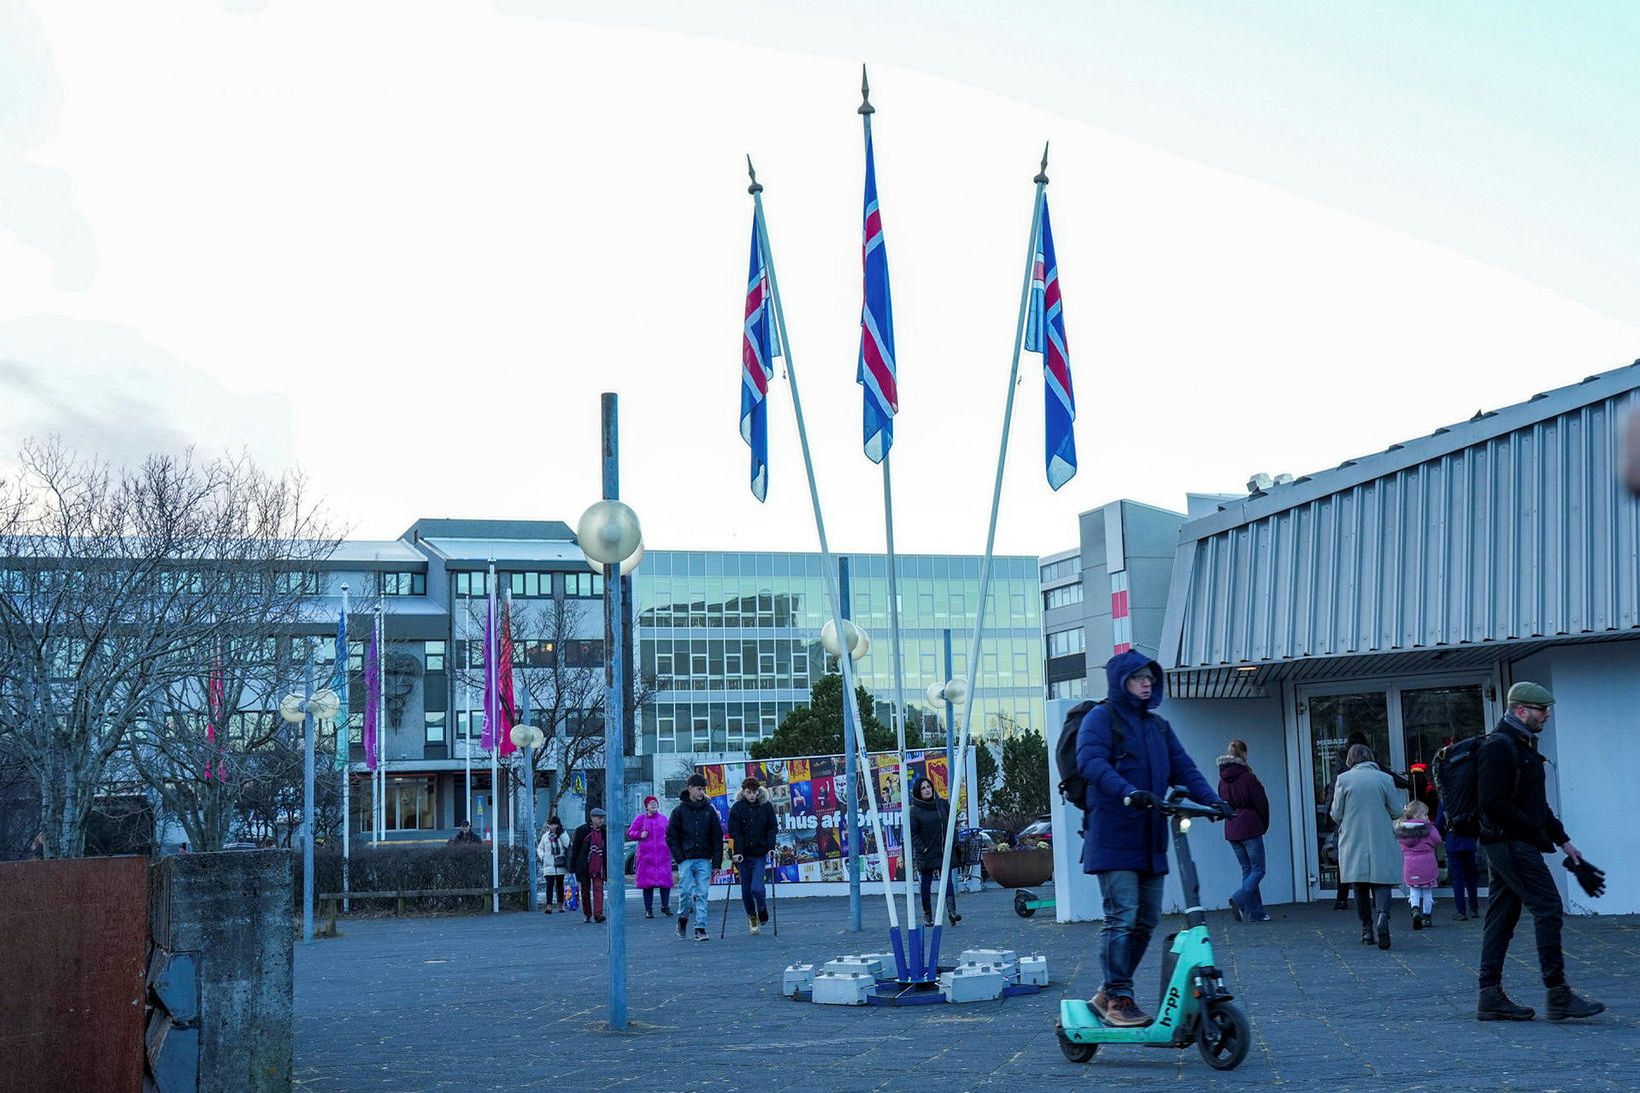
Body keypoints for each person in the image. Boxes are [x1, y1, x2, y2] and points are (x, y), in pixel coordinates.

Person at [1076, 651, 1231, 1029]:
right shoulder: (1101, 719)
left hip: (1151, 837)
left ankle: (1106, 993)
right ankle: (1118, 997)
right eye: (1138, 677)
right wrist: (1128, 791)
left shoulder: (1158, 727)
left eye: (1150, 677)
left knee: (1147, 919)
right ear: (1121, 681)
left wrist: (1213, 800)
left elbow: (1184, 767)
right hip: (1113, 836)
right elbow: (1090, 762)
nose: (1147, 683)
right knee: (1122, 916)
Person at [1474, 682, 1602, 1022]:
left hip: (1513, 842)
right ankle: (1558, 994)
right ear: (1521, 711)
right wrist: (1537, 838)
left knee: (1501, 917)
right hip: (1510, 843)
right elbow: (1493, 803)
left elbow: (1537, 807)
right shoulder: (1499, 747)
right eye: (1541, 710)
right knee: (1548, 907)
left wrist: (1564, 842)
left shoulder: (1523, 746)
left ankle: (1489, 996)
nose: (1547, 715)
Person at [1330, 743, 1401, 950]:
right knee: (1382, 881)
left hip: (1353, 837)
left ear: (1350, 759)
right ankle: (1382, 917)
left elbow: (1336, 813)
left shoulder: (1343, 780)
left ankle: (1366, 929)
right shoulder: (1384, 779)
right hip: (1379, 836)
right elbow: (1396, 810)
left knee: (1359, 883)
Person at [1217, 739, 1271, 923]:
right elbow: (1261, 802)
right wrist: (1263, 823)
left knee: (1247, 870)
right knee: (1258, 870)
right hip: (1250, 826)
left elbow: (1221, 802)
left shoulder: (1222, 778)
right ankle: (1239, 898)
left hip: (1231, 827)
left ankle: (1255, 913)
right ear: (1244, 754)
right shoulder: (1248, 777)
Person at [667, 773, 724, 942]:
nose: (701, 792)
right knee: (684, 892)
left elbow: (716, 836)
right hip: (686, 858)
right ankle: (682, 917)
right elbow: (671, 836)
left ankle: (700, 927)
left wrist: (717, 861)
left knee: (702, 893)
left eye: (703, 789)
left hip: (704, 858)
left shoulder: (709, 810)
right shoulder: (679, 811)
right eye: (699, 789)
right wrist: (679, 857)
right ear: (690, 788)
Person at [907, 775, 963, 927]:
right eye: (923, 788)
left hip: (943, 849)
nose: (927, 790)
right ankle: (927, 915)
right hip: (926, 853)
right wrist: (922, 848)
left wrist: (954, 842)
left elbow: (952, 824)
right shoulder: (915, 811)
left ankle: (952, 912)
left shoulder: (942, 804)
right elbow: (913, 833)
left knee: (947, 881)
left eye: (928, 786)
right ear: (918, 792)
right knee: (926, 884)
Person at [727, 777, 777, 934]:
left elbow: (771, 827)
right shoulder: (737, 808)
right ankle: (752, 916)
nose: (752, 795)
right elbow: (734, 832)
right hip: (743, 854)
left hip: (760, 852)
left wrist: (771, 847)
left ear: (758, 791)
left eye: (754, 792)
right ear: (743, 791)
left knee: (757, 888)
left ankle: (761, 907)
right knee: (746, 890)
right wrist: (738, 853)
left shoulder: (765, 806)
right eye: (748, 792)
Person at [1395, 800, 1443, 930]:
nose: (1428, 817)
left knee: (1414, 891)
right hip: (1427, 864)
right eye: (1426, 814)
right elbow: (1437, 840)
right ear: (1419, 815)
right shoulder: (1428, 828)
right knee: (1427, 892)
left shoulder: (1403, 829)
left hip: (1410, 865)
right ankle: (1427, 917)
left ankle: (1415, 910)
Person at [627, 796, 673, 919]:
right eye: (651, 803)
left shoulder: (663, 819)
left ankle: (665, 906)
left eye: (655, 803)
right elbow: (630, 833)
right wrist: (640, 835)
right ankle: (648, 909)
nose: (653, 805)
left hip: (663, 856)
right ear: (646, 806)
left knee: (665, 883)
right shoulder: (641, 819)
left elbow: (671, 834)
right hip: (646, 858)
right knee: (647, 884)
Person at [1435, 800, 1479, 921]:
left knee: (1457, 878)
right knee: (1471, 876)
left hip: (1453, 841)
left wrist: (1445, 836)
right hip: (1469, 840)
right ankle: (1474, 908)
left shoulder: (1445, 800)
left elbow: (1439, 823)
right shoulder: (1468, 799)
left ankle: (1461, 911)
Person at [568, 807, 609, 924]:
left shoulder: (605, 831)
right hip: (584, 865)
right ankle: (587, 913)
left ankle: (598, 914)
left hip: (599, 866)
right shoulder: (582, 830)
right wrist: (572, 867)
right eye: (599, 818)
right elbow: (575, 849)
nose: (601, 821)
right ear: (592, 818)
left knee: (598, 889)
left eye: (603, 818)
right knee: (585, 891)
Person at [536, 817, 569, 914]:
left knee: (560, 885)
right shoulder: (545, 836)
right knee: (549, 885)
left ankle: (560, 904)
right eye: (552, 824)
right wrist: (543, 857)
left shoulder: (563, 834)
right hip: (549, 864)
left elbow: (567, 845)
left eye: (556, 824)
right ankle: (549, 905)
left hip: (560, 863)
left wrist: (561, 834)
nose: (554, 826)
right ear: (549, 825)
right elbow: (540, 848)